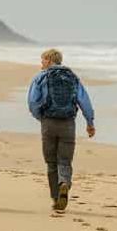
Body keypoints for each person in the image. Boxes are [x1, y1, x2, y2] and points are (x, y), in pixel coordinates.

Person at [27, 48, 95, 212]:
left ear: (49, 60)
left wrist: (41, 118)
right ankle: (64, 182)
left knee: (51, 162)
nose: (41, 63)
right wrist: (89, 122)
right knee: (64, 161)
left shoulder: (40, 77)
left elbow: (32, 102)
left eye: (43, 60)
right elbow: (84, 100)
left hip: (48, 123)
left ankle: (56, 197)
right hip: (68, 123)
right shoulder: (72, 77)